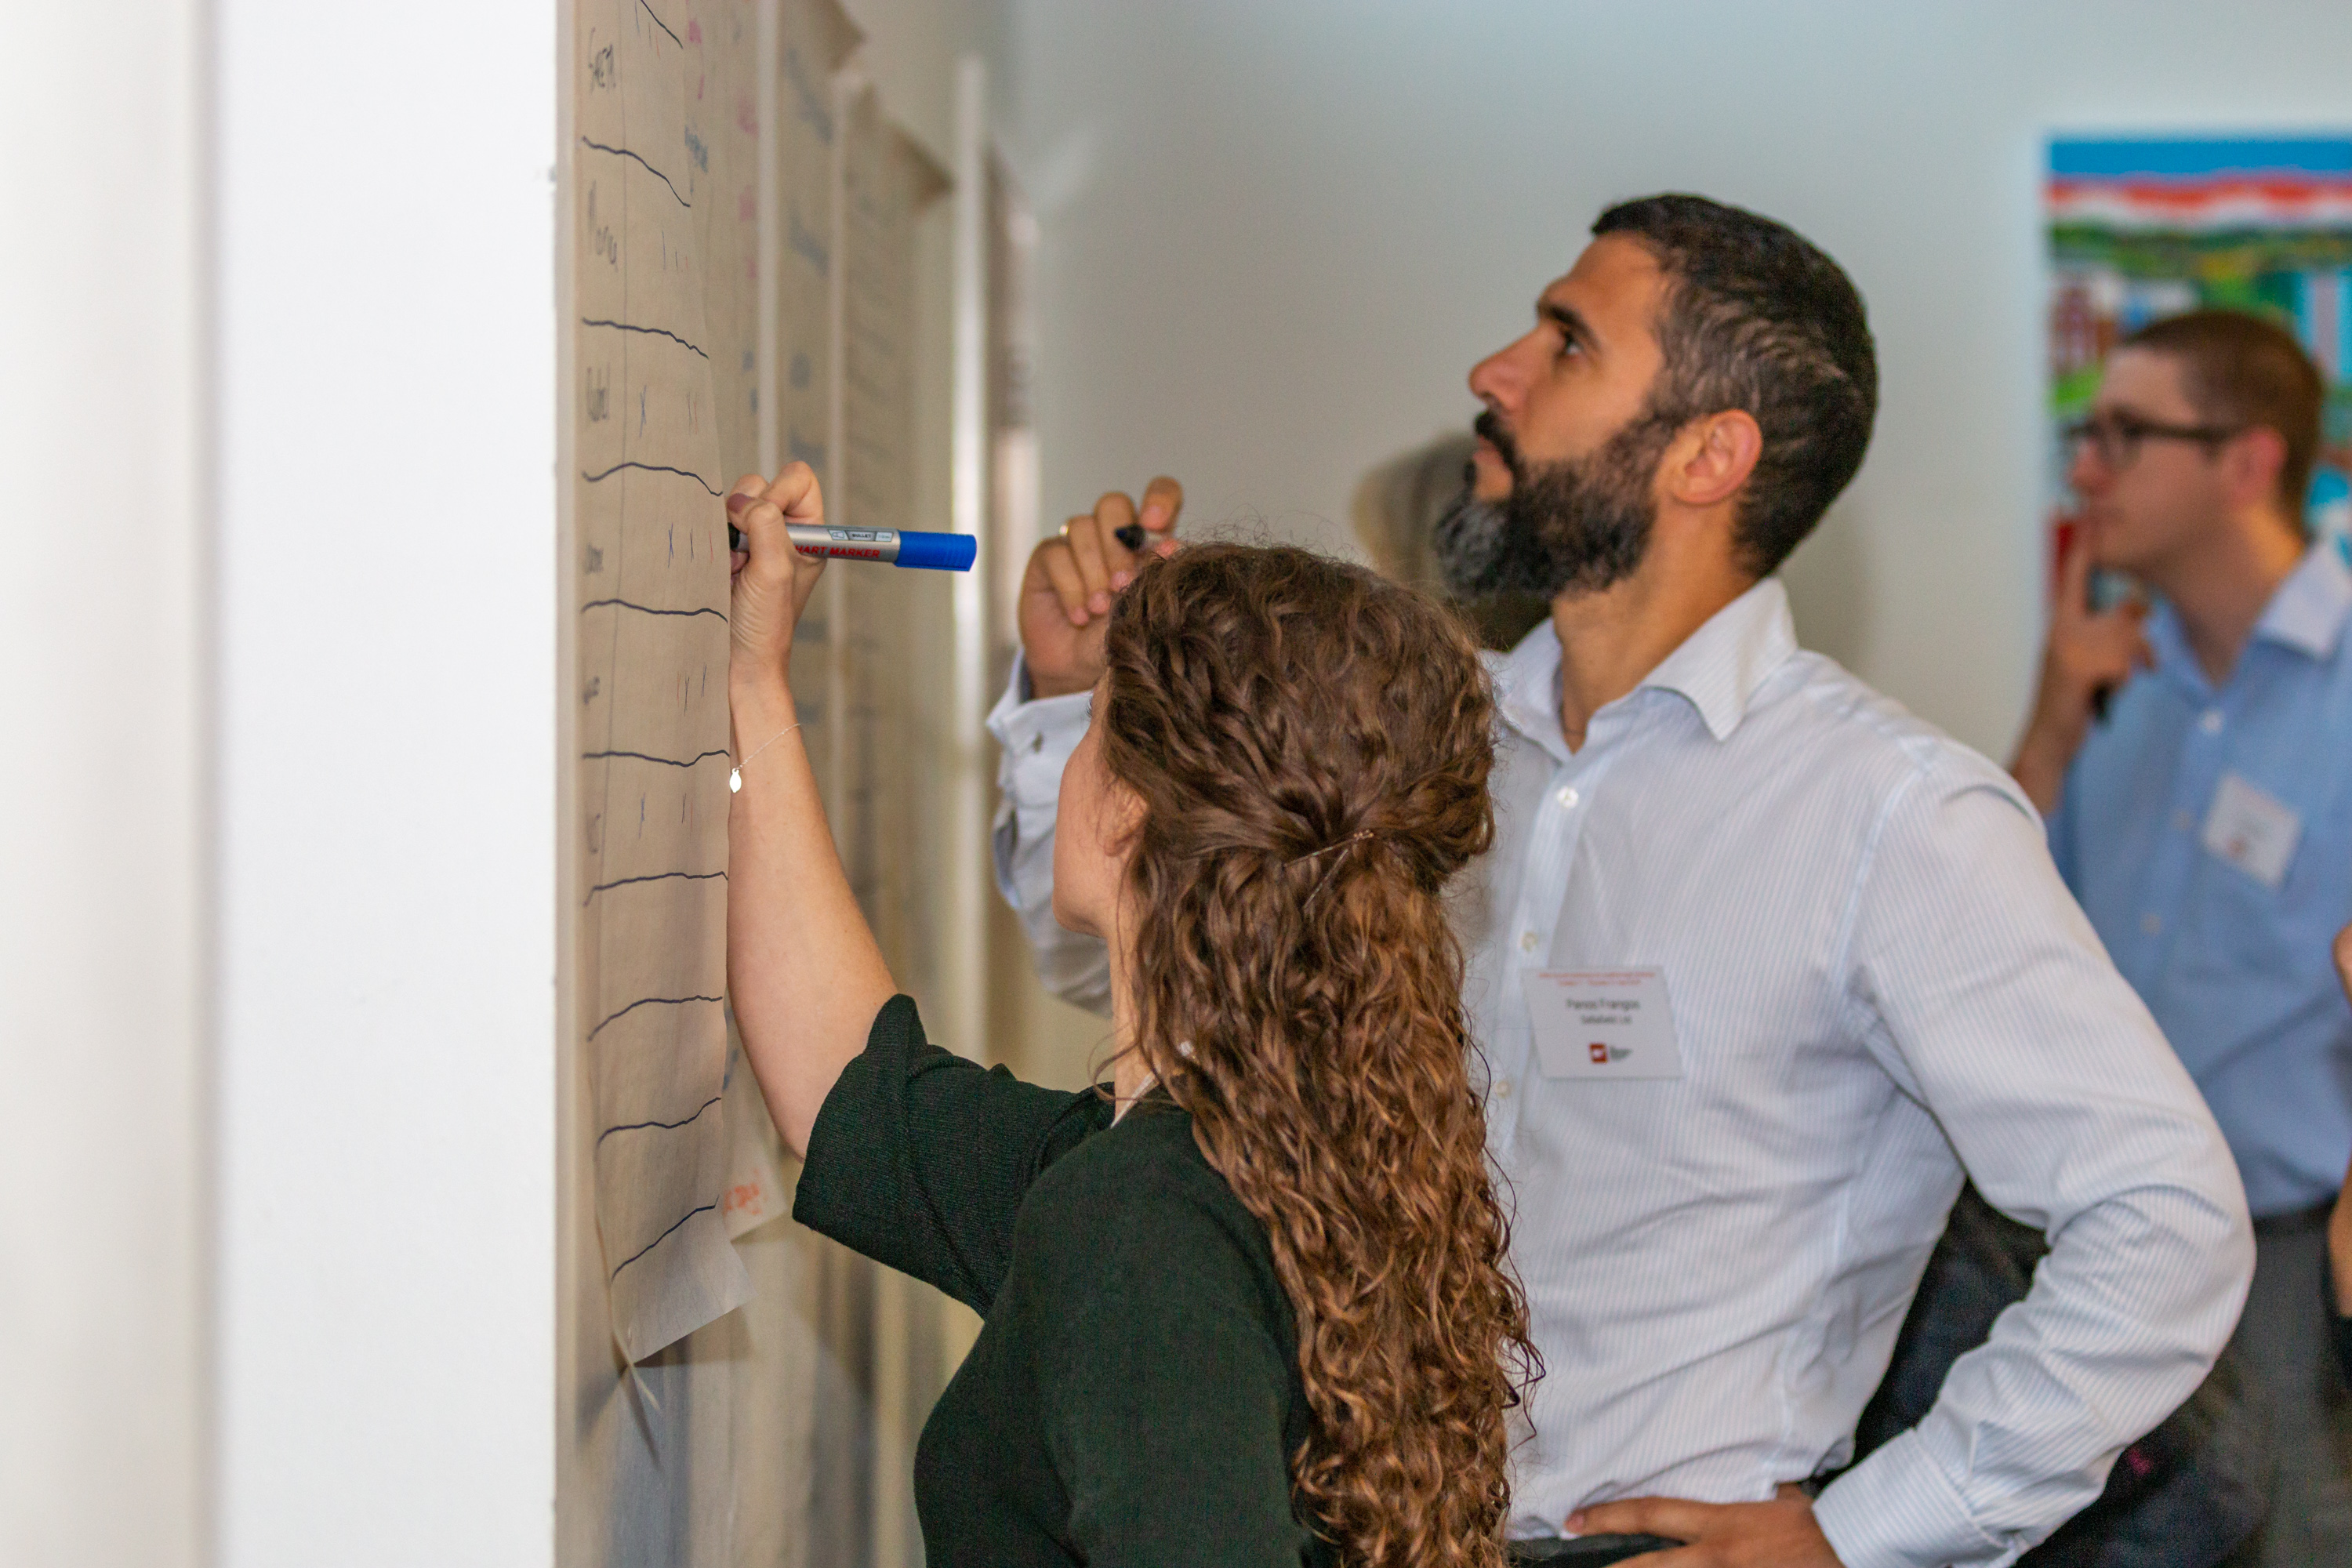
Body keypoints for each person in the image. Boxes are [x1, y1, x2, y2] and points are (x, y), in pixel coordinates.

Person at [987, 194, 2254, 1566]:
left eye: (1567, 343)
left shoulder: (1892, 816)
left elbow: (2164, 1221)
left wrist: (1861, 1535)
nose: (1496, 374)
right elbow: (1149, 966)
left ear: (1710, 456)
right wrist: (1076, 703)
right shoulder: (1433, 741)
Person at [723, 463, 1541, 1568]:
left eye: (1095, 722)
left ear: (1131, 811)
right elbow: (855, 1101)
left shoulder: (1144, 1220)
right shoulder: (1274, 1162)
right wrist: (753, 683)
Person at [2009, 310, 2352, 1566]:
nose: (2086, 469)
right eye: (2082, 434)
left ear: (2248, 465)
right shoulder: (2113, 678)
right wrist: (2048, 731)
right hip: (2102, 1258)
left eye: (2124, 434)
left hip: (2302, 1281)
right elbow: (2005, 949)